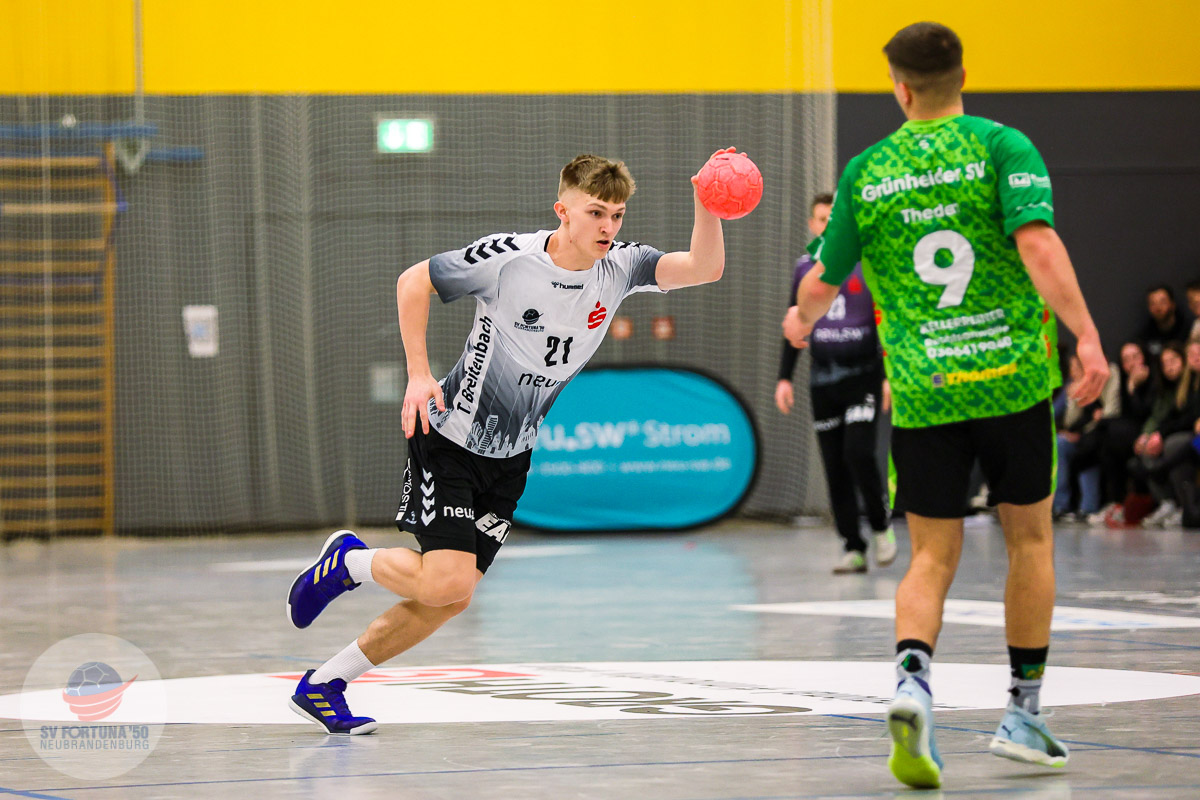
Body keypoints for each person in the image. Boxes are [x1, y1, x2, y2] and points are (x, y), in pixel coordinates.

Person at [284, 152, 729, 734]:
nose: (608, 227)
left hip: (512, 455)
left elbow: (704, 268)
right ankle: (349, 562)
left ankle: (324, 685)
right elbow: (413, 281)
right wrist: (418, 373)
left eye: (617, 215)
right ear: (562, 210)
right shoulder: (510, 259)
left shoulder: (621, 267)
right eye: (596, 212)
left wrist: (707, 203)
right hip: (450, 436)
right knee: (447, 581)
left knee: (453, 598)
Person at [783, 22, 1108, 789]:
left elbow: (820, 284)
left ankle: (913, 685)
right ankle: (1023, 712)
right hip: (1011, 383)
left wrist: (800, 318)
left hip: (926, 393)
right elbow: (1039, 246)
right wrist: (1088, 337)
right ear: (962, 75)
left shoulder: (867, 171)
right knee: (1030, 541)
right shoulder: (1002, 146)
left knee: (930, 554)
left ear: (900, 88)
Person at [776, 192, 896, 574]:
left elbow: (887, 320)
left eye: (833, 218)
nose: (827, 224)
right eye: (821, 219)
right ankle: (852, 546)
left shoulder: (865, 263)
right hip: (822, 379)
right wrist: (784, 377)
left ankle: (880, 526)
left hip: (863, 374)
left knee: (858, 453)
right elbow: (796, 322)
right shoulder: (804, 268)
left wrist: (889, 376)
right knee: (834, 466)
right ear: (812, 225)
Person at [1131, 341, 1200, 527]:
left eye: (1198, 353)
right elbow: (1173, 415)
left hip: (1193, 438)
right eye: (1191, 355)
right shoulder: (1186, 385)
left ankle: (1184, 505)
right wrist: (1156, 434)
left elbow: (1190, 418)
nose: (1195, 358)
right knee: (1159, 446)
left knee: (1176, 447)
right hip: (1191, 436)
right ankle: (1169, 503)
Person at [1086, 341, 1155, 525]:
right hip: (1127, 431)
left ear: (1144, 357)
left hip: (1147, 430)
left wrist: (1133, 387)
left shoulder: (1154, 379)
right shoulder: (1121, 381)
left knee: (1109, 435)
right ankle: (1115, 502)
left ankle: (1118, 502)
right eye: (1126, 359)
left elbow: (1143, 413)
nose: (1132, 363)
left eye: (1135, 357)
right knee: (1106, 440)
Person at [1052, 353, 1115, 520]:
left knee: (1085, 450)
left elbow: (1093, 414)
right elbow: (1052, 412)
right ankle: (1060, 505)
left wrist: (1075, 431)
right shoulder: (1069, 387)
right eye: (1071, 367)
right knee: (1058, 443)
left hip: (1091, 434)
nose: (1072, 371)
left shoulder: (1093, 385)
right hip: (1077, 435)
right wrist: (1061, 430)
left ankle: (1085, 507)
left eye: (1076, 367)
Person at [1137, 285, 1191, 361]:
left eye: (1162, 302)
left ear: (1173, 304)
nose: (1158, 307)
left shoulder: (1190, 330)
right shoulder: (1145, 336)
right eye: (1153, 303)